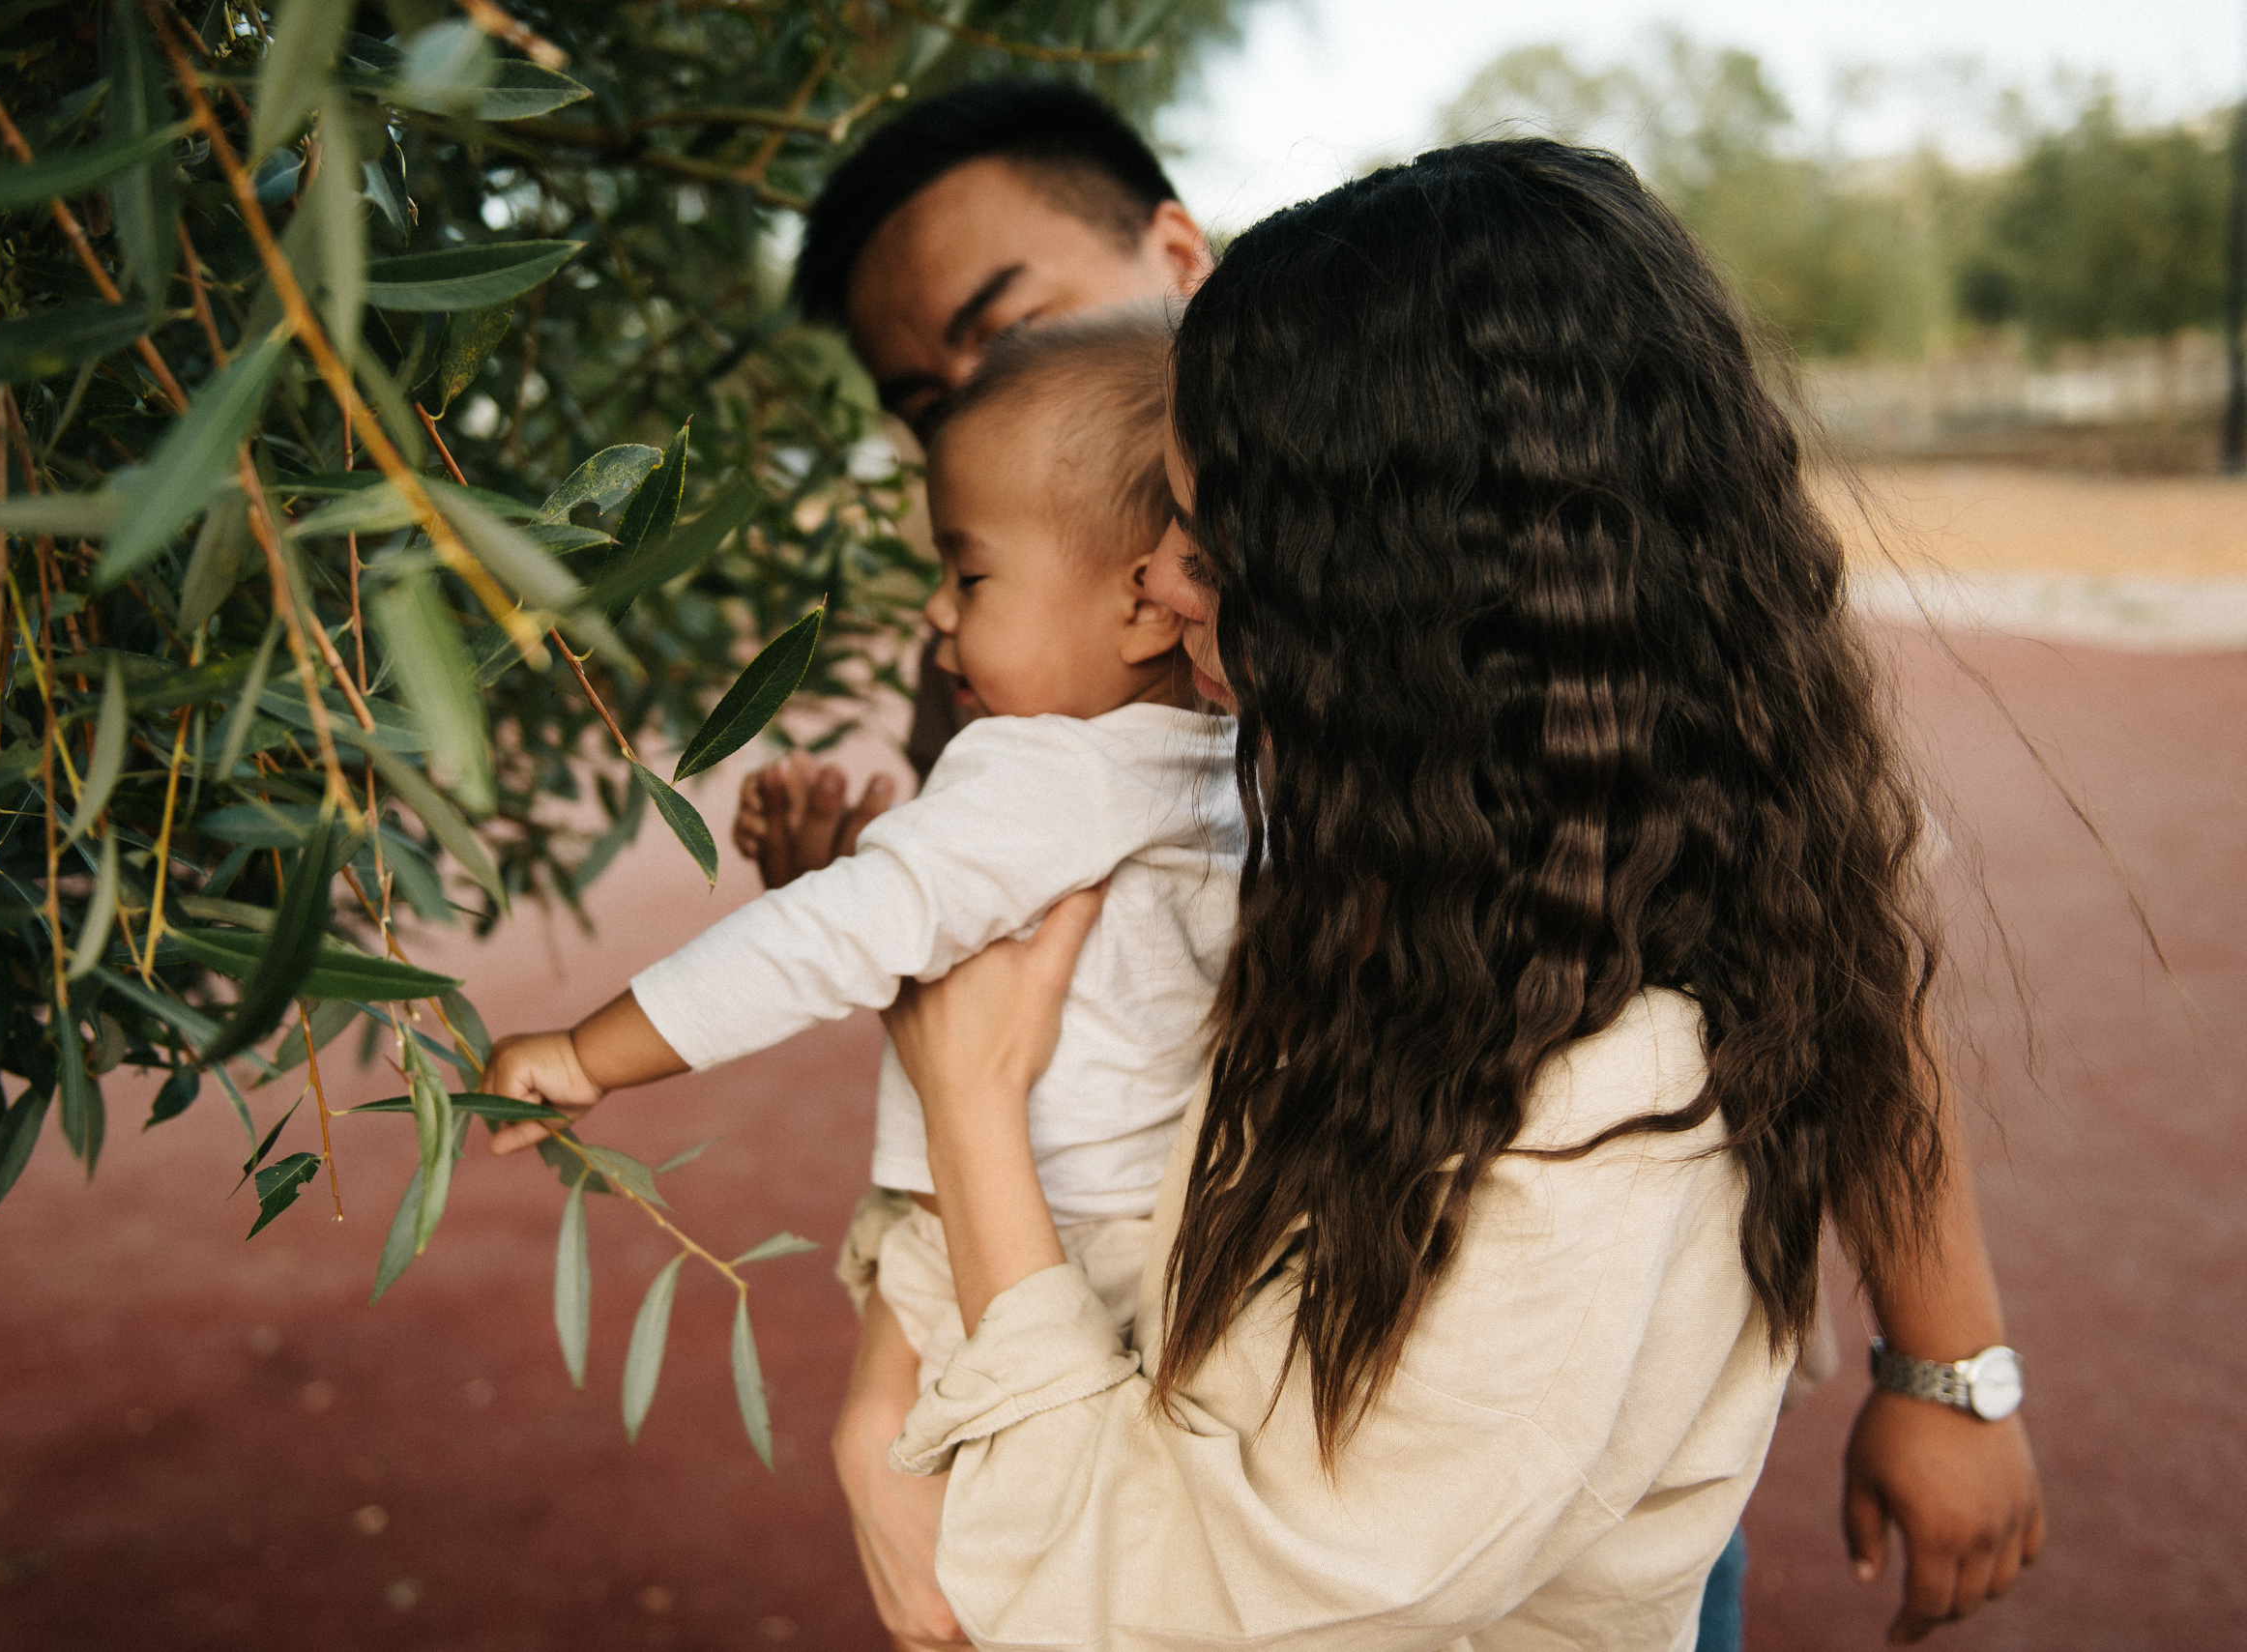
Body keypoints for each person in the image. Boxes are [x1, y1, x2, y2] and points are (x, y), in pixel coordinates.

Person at [843, 139, 2041, 1650]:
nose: (1158, 584)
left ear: (1387, 588)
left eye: (1212, 543)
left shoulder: (1602, 1120)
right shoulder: (1396, 867)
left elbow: (1177, 1590)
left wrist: (967, 1108)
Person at [481, 309, 1238, 1423]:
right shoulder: (1217, 763)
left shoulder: (1048, 772)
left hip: (1024, 1238)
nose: (936, 611)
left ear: (1139, 604)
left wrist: (585, 1051)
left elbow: (827, 939)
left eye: (968, 574)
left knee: (925, 1479)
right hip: (1151, 1232)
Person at [734, 79, 1213, 883]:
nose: (977, 414)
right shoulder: (977, 653)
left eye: (1015, 337)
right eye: (930, 410)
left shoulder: (1406, 523)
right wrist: (867, 899)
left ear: (1177, 260)